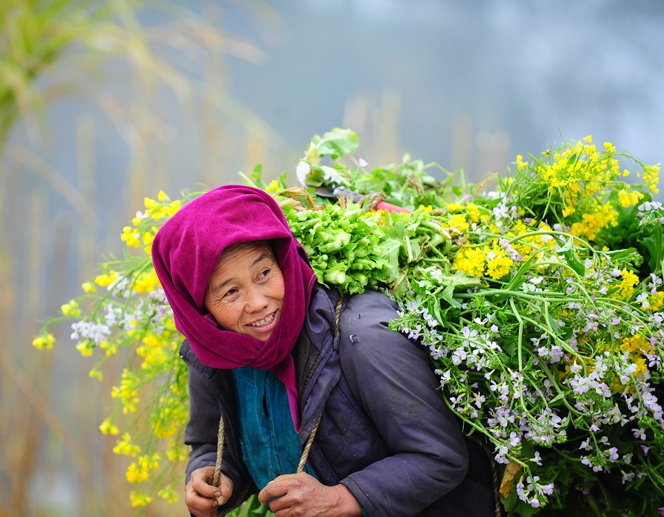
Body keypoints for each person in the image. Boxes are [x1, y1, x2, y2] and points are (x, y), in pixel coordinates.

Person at [152, 185, 496, 516]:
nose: (257, 303)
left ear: (284, 259)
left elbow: (441, 457)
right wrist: (211, 478)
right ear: (199, 310)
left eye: (264, 273)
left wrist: (339, 499)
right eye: (230, 292)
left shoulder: (363, 337)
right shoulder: (213, 351)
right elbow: (209, 444)